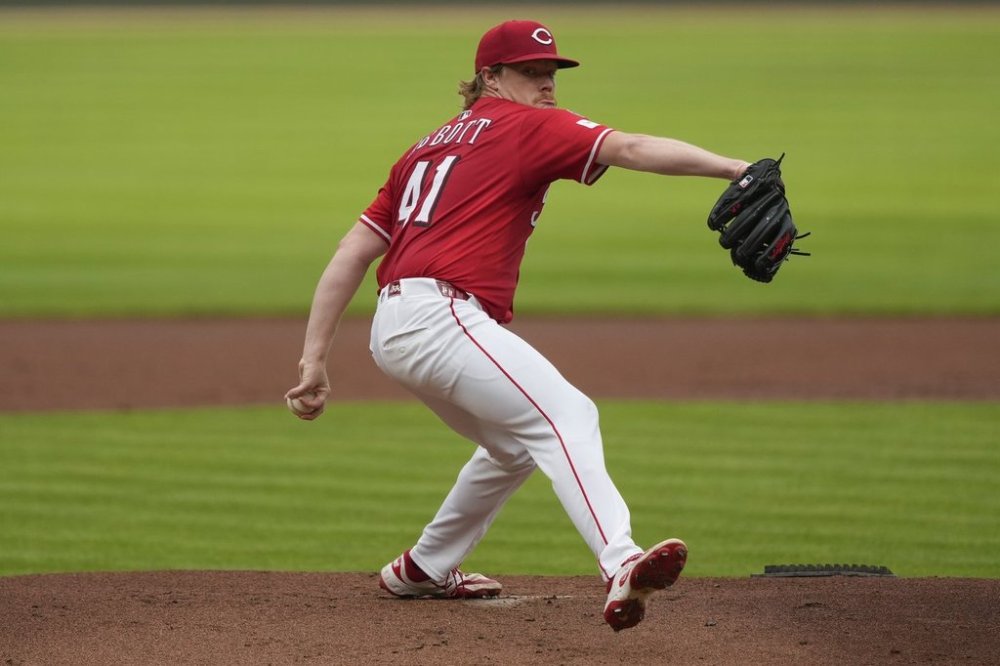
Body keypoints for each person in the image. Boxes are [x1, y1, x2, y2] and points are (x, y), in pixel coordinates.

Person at [285, 19, 750, 632]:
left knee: (513, 446)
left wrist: (312, 359)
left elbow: (353, 252)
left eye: (552, 72)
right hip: (441, 317)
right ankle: (621, 561)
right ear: (490, 78)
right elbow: (630, 148)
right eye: (532, 73)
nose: (547, 84)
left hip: (394, 329)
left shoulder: (425, 147)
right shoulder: (525, 125)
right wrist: (735, 168)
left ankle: (423, 567)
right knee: (568, 416)